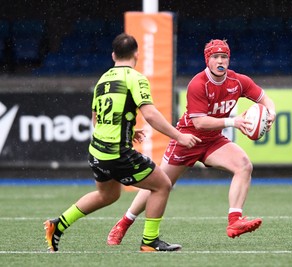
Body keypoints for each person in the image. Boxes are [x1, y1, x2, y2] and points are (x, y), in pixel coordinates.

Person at [107, 39, 276, 245]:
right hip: (187, 139)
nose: (220, 61)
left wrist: (271, 112)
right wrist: (234, 122)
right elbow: (200, 122)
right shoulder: (198, 83)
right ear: (208, 60)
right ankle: (123, 223)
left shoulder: (238, 81)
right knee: (159, 184)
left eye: (224, 57)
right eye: (215, 57)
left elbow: (264, 98)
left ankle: (234, 220)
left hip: (213, 141)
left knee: (244, 165)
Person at [43, 33, 201, 252]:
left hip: (97, 150)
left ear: (113, 55)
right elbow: (151, 115)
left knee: (108, 195)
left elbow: (96, 118)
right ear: (137, 53)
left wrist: (127, 129)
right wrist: (179, 136)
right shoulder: (135, 78)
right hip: (117, 153)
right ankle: (150, 242)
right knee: (162, 185)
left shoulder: (103, 79)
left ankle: (57, 224)